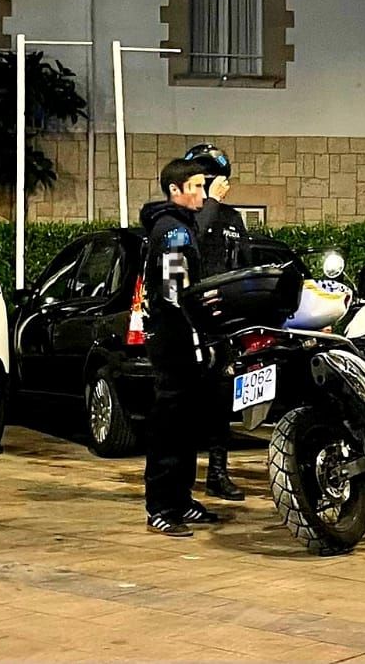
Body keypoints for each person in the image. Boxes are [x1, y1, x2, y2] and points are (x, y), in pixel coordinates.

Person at [140, 158, 224, 536]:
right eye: (196, 188)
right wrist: (198, 325)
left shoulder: (182, 226)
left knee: (187, 424)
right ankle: (161, 506)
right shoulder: (171, 231)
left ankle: (182, 500)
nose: (202, 195)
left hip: (185, 339)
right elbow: (175, 293)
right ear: (175, 190)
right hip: (175, 341)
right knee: (170, 426)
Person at [184, 142, 248, 501]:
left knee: (221, 401)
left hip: (225, 325)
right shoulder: (185, 217)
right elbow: (190, 245)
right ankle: (184, 478)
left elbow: (245, 265)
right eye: (203, 179)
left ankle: (218, 472)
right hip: (192, 322)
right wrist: (209, 203)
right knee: (188, 405)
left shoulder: (232, 218)